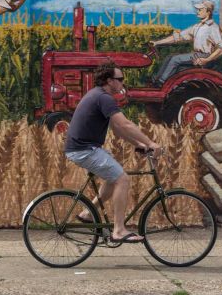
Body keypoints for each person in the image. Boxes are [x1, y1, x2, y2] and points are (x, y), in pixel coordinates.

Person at [64, 62, 162, 244]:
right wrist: (151, 143)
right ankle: (118, 230)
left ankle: (88, 212)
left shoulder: (99, 96)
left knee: (113, 177)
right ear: (109, 81)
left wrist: (140, 144)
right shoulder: (104, 98)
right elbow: (125, 124)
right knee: (122, 179)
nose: (123, 83)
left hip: (84, 148)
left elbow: (119, 130)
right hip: (84, 150)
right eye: (120, 79)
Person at [150, 0, 222, 85]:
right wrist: (157, 43)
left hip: (204, 56)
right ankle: (157, 80)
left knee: (175, 59)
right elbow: (178, 37)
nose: (197, 12)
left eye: (200, 10)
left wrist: (207, 59)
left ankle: (161, 83)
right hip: (196, 55)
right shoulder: (197, 26)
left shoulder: (213, 27)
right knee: (169, 58)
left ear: (208, 12)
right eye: (197, 10)